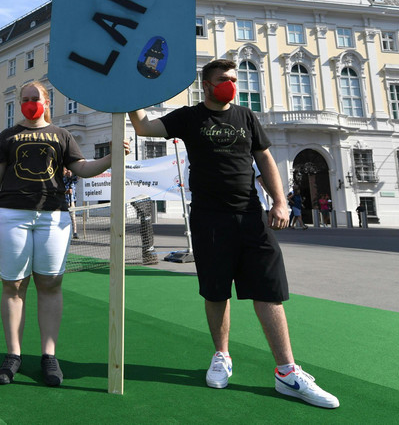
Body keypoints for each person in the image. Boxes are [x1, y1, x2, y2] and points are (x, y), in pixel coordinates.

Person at [128, 59, 338, 409]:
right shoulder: (189, 117)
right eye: (224, 79)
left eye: (234, 79)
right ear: (207, 85)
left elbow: (265, 158)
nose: (231, 85)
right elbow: (143, 128)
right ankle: (221, 356)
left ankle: (287, 371)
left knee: (269, 291)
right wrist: (128, 96)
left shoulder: (246, 117)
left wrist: (280, 202)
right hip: (209, 218)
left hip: (251, 216)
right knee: (216, 292)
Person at [0, 81, 127, 387]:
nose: (30, 103)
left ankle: (49, 355)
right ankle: (13, 354)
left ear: (47, 102)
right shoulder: (7, 136)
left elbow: (82, 168)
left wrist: (111, 156)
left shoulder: (62, 135)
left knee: (50, 283)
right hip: (12, 215)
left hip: (53, 216)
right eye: (25, 98)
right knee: (14, 285)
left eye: (35, 98)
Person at [63, 168, 79, 240]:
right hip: (64, 200)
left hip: (72, 200)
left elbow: (78, 177)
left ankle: (75, 232)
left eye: (69, 171)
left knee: (73, 216)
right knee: (65, 217)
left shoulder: (73, 179)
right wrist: (67, 191)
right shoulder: (62, 179)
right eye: (66, 171)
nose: (68, 172)